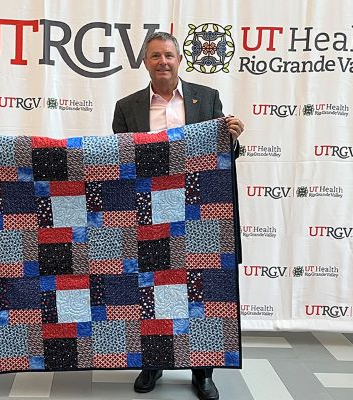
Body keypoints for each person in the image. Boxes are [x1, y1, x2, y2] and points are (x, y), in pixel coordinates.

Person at [112, 32, 244, 400]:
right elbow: (119, 161)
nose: (163, 62)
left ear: (179, 59)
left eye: (168, 55)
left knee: (201, 290)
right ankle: (153, 362)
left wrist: (231, 138)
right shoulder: (127, 106)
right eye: (155, 56)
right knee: (151, 288)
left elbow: (224, 155)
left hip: (200, 209)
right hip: (147, 211)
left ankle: (202, 371)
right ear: (145, 62)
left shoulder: (208, 98)